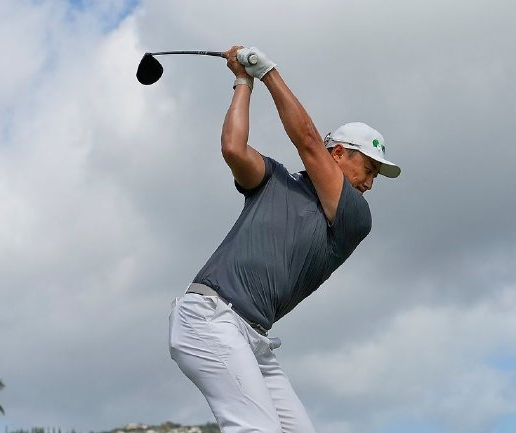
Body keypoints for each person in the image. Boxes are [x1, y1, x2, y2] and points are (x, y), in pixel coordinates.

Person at [168, 45, 401, 433]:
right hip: (210, 318)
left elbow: (307, 142)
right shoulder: (275, 180)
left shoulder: (355, 216)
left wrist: (267, 71)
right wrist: (243, 81)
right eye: (368, 168)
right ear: (338, 154)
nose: (370, 183)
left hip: (253, 340)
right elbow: (234, 149)